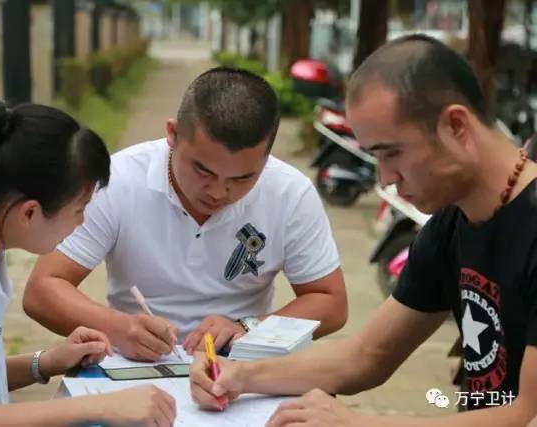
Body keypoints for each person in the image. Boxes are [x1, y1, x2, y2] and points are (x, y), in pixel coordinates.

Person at [189, 35, 537, 426]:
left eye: (392, 154)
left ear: (455, 125)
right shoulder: (451, 225)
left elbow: (527, 415)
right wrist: (239, 376)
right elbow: (366, 356)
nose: (386, 179)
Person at [23, 67, 348, 362]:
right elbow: (42, 290)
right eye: (203, 170)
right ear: (173, 134)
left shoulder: (290, 193)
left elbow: (330, 302)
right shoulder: (118, 180)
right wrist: (119, 328)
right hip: (135, 362)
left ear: (266, 158)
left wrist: (250, 328)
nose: (219, 192)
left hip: (240, 366)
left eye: (242, 178)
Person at [0, 84, 175, 427]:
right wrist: (102, 406)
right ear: (29, 213)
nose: (83, 221)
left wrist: (47, 362)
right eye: (79, 209)